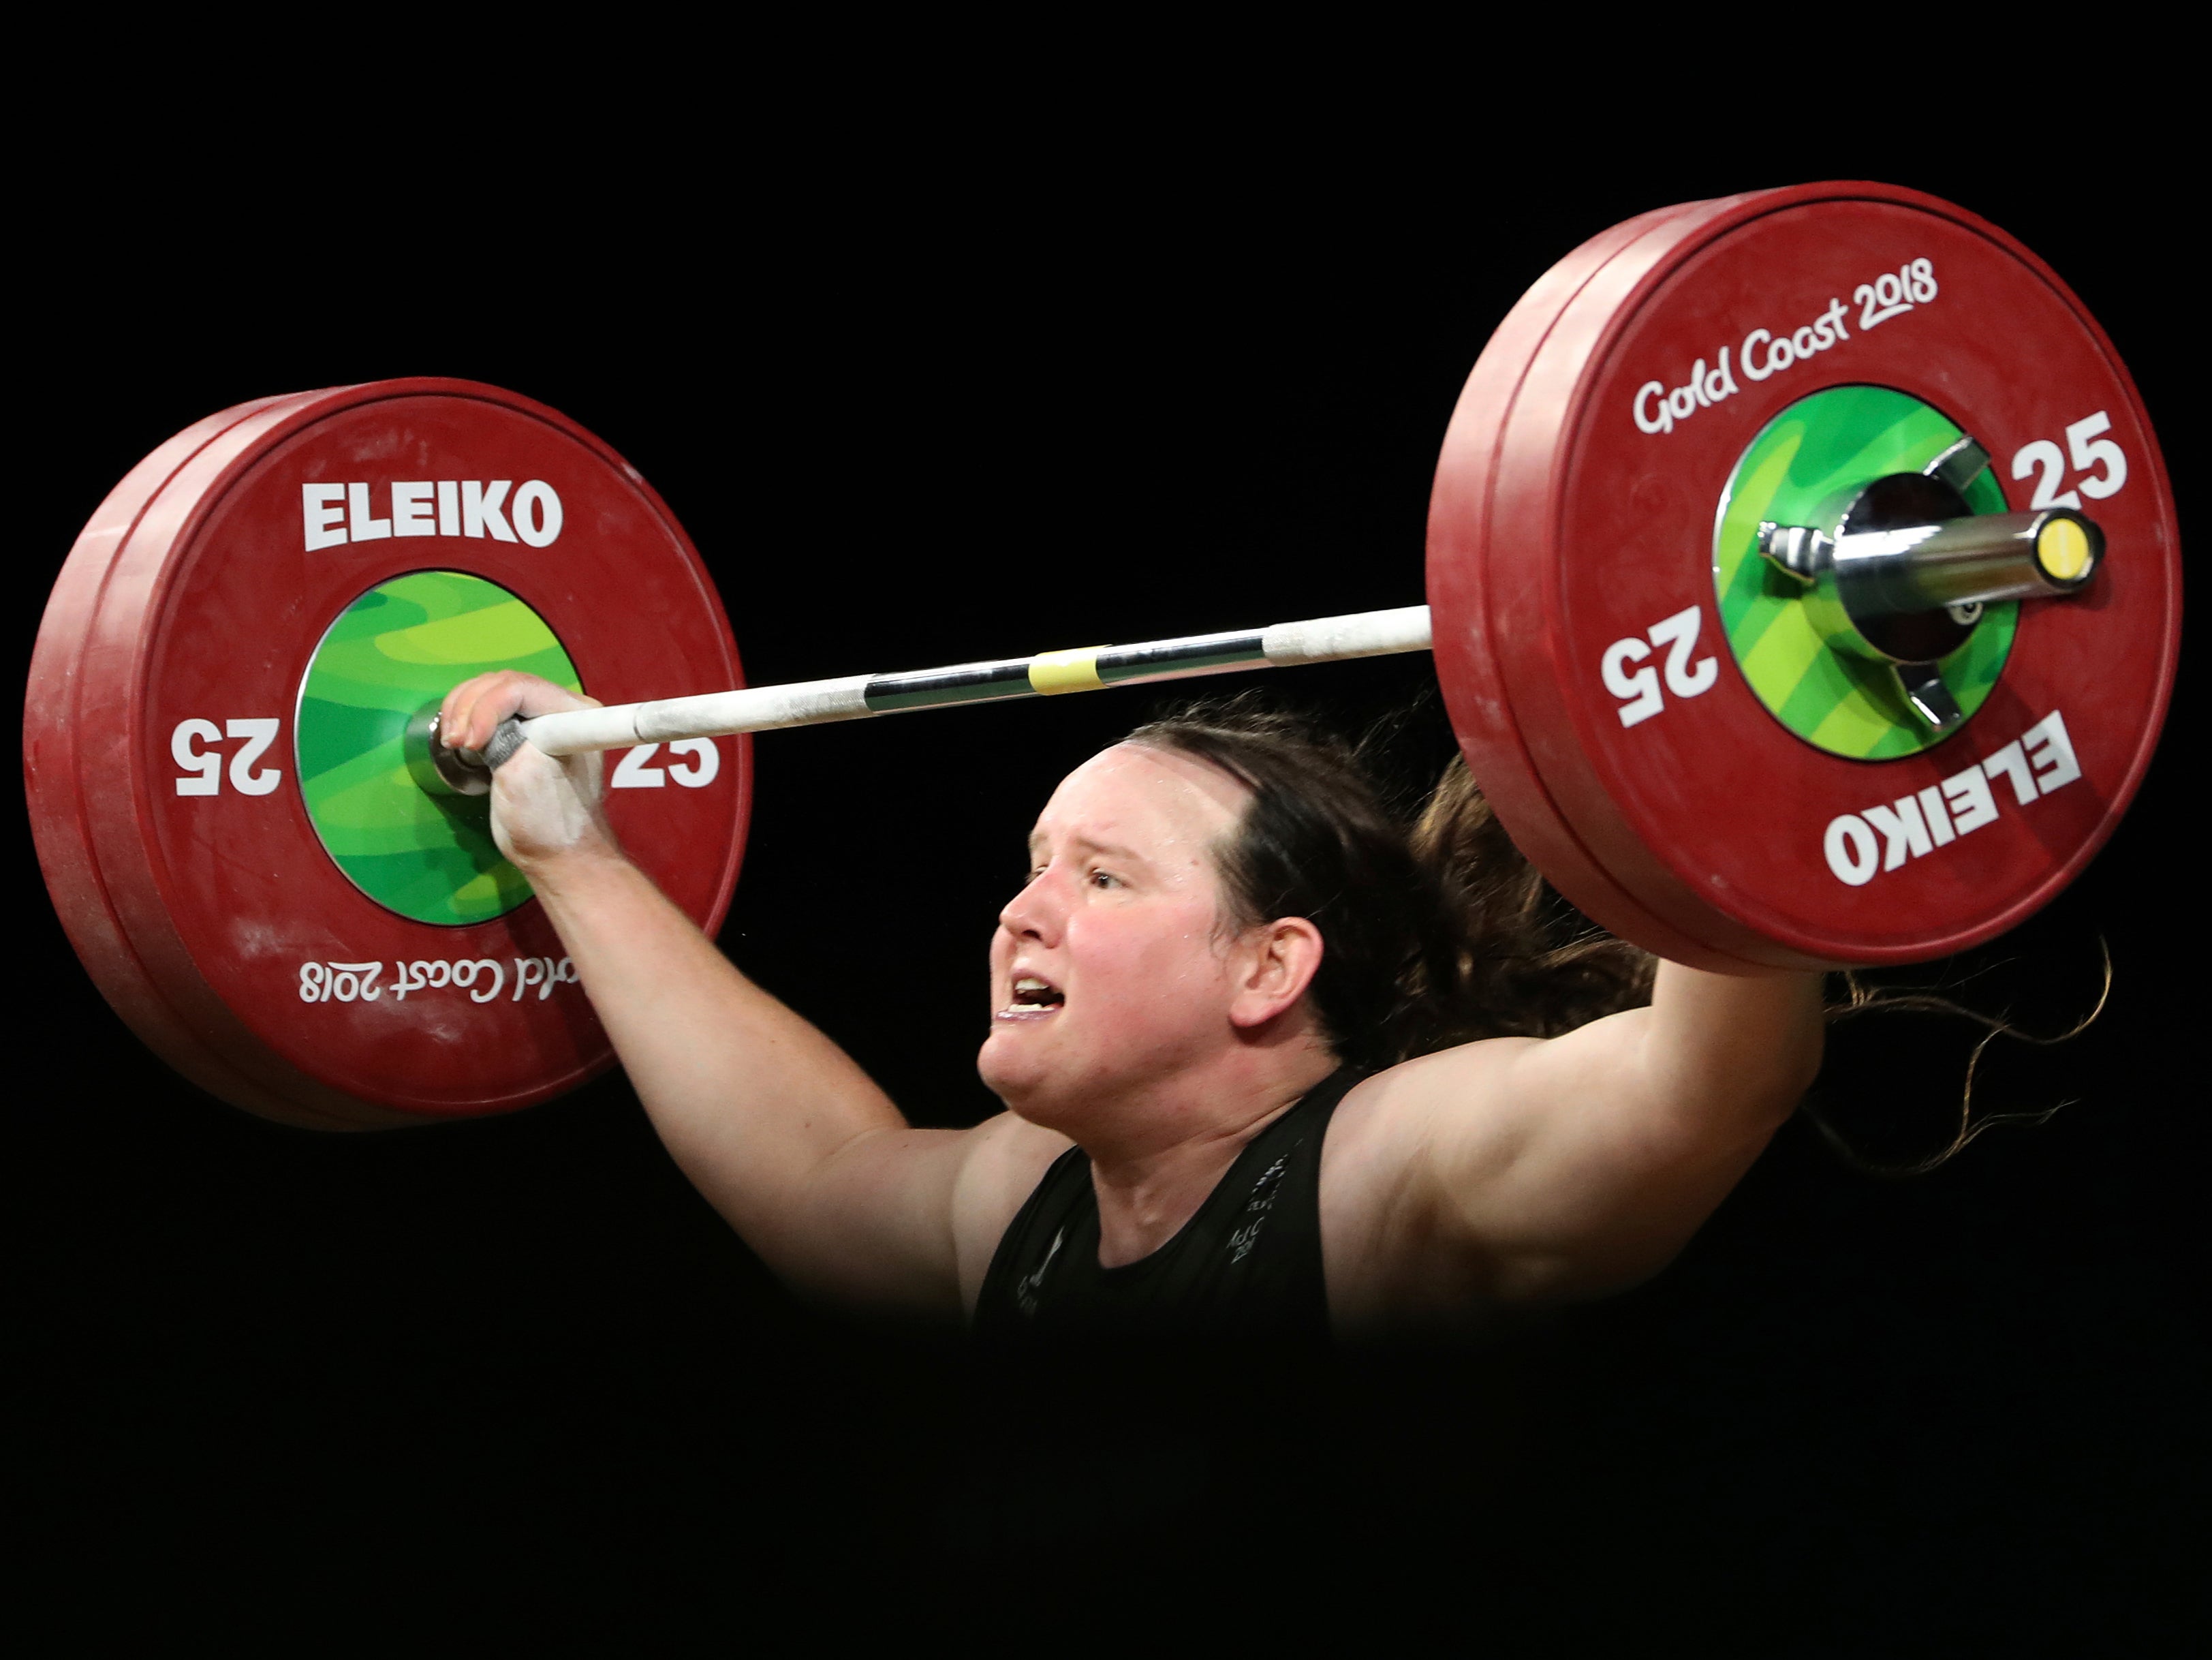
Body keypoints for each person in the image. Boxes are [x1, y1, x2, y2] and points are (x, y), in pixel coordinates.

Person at [438, 673, 1825, 1341]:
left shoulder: (1384, 1173)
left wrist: (1767, 724)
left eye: (1102, 878)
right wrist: (569, 853)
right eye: (1034, 867)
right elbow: (815, 1175)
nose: (1023, 913)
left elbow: (1698, 1083)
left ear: (1266, 971)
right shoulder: (1023, 1204)